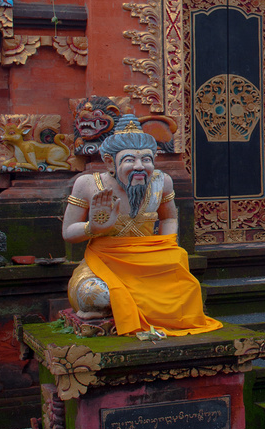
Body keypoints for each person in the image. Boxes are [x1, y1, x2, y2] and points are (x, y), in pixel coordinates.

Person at [63, 114, 222, 336]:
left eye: (146, 160)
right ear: (110, 162)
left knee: (187, 288)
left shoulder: (161, 181)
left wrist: (168, 247)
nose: (140, 167)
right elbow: (68, 232)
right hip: (104, 262)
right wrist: (95, 228)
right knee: (95, 295)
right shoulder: (88, 184)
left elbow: (168, 217)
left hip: (149, 261)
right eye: (129, 160)